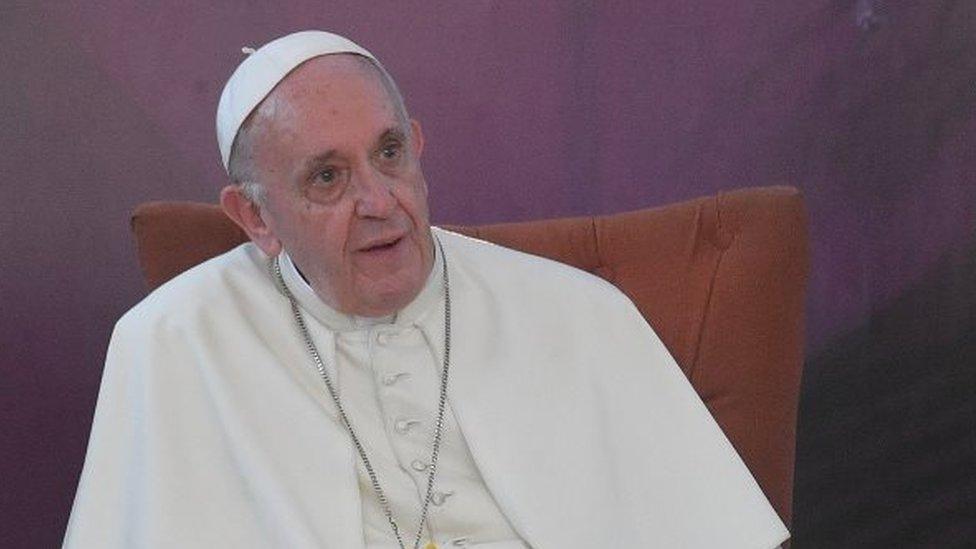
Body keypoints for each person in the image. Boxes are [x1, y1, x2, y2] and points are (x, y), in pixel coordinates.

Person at [64, 31, 789, 549]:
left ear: (416, 143)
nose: (381, 200)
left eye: (389, 153)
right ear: (255, 216)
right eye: (328, 176)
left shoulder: (577, 312)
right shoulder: (172, 339)